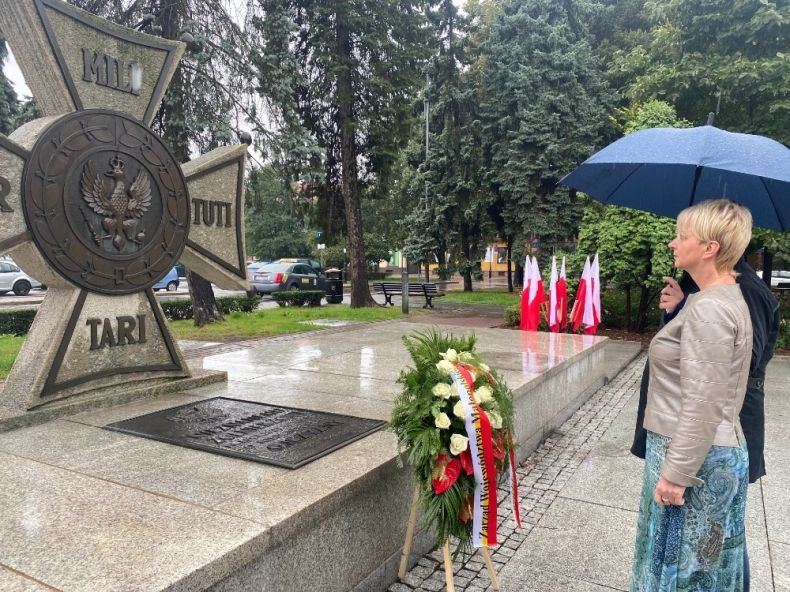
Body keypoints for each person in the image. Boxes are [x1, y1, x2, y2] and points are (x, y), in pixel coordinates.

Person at [631, 259, 780, 592]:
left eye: (685, 234)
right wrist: (677, 313)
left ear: (711, 244)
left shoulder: (745, 291)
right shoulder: (703, 287)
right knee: (709, 545)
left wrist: (689, 308)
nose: (673, 241)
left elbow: (739, 360)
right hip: (693, 429)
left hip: (717, 433)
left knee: (712, 548)